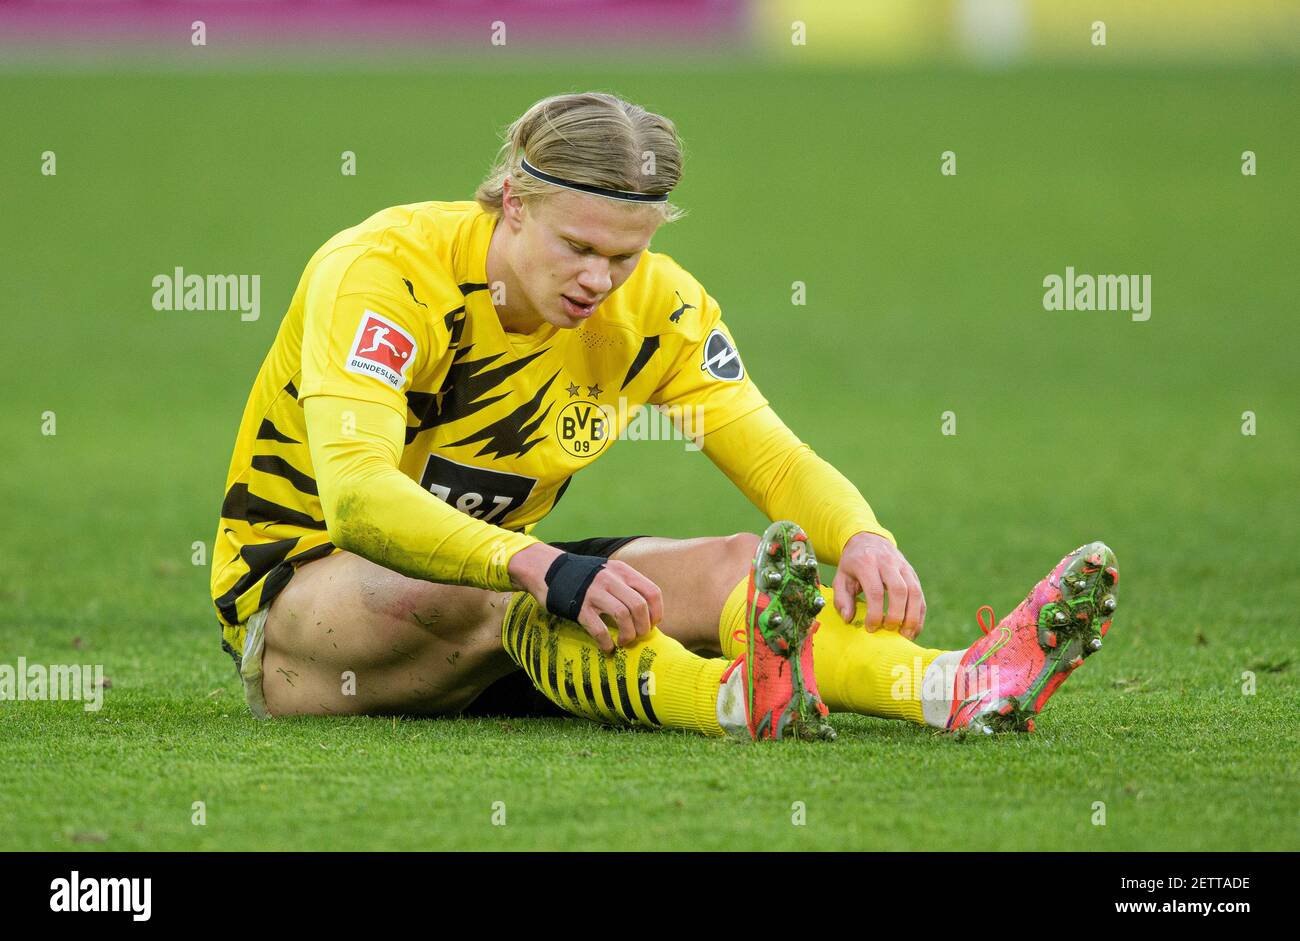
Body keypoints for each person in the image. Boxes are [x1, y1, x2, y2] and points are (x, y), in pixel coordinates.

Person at [210, 91, 1118, 739]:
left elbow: (770, 458)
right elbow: (359, 497)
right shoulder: (385, 274)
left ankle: (956, 684)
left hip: (509, 586)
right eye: (578, 248)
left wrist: (865, 535)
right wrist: (538, 564)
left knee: (735, 565)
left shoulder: (657, 308)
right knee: (518, 594)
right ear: (512, 203)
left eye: (626, 256)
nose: (599, 281)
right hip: (304, 619)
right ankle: (729, 702)